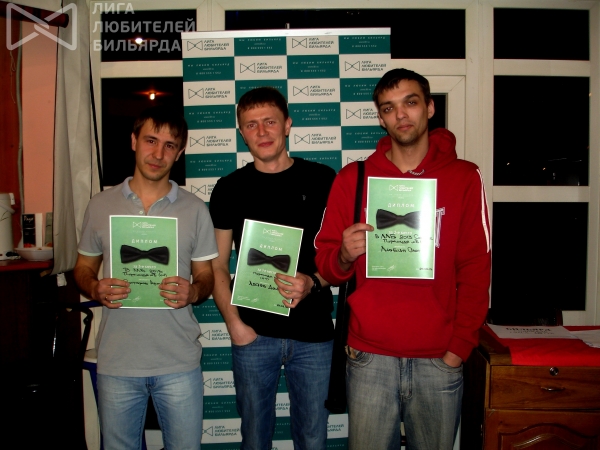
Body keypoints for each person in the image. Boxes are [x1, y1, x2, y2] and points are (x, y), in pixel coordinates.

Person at [314, 68, 491, 450]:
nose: (400, 114)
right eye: (388, 107)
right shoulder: (353, 179)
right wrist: (343, 255)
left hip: (438, 359)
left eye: (410, 102)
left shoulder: (464, 177)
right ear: (381, 118)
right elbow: (327, 265)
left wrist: (458, 349)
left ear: (429, 107)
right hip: (368, 356)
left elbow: (476, 269)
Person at [74, 106, 218, 450]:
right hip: (118, 360)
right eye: (151, 140)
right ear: (134, 141)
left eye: (170, 145)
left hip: (178, 360)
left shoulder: (195, 209)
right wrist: (94, 287)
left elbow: (206, 276)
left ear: (179, 153)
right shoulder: (100, 205)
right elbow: (82, 268)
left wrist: (193, 292)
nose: (158, 153)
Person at [209, 87, 335, 450]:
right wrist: (235, 325)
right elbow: (217, 265)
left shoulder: (323, 180)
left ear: (287, 125)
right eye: (251, 125)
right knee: (254, 439)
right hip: (253, 334)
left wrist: (314, 282)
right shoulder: (229, 188)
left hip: (313, 335)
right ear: (241, 132)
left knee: (313, 439)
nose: (262, 132)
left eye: (270, 122)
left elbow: (342, 256)